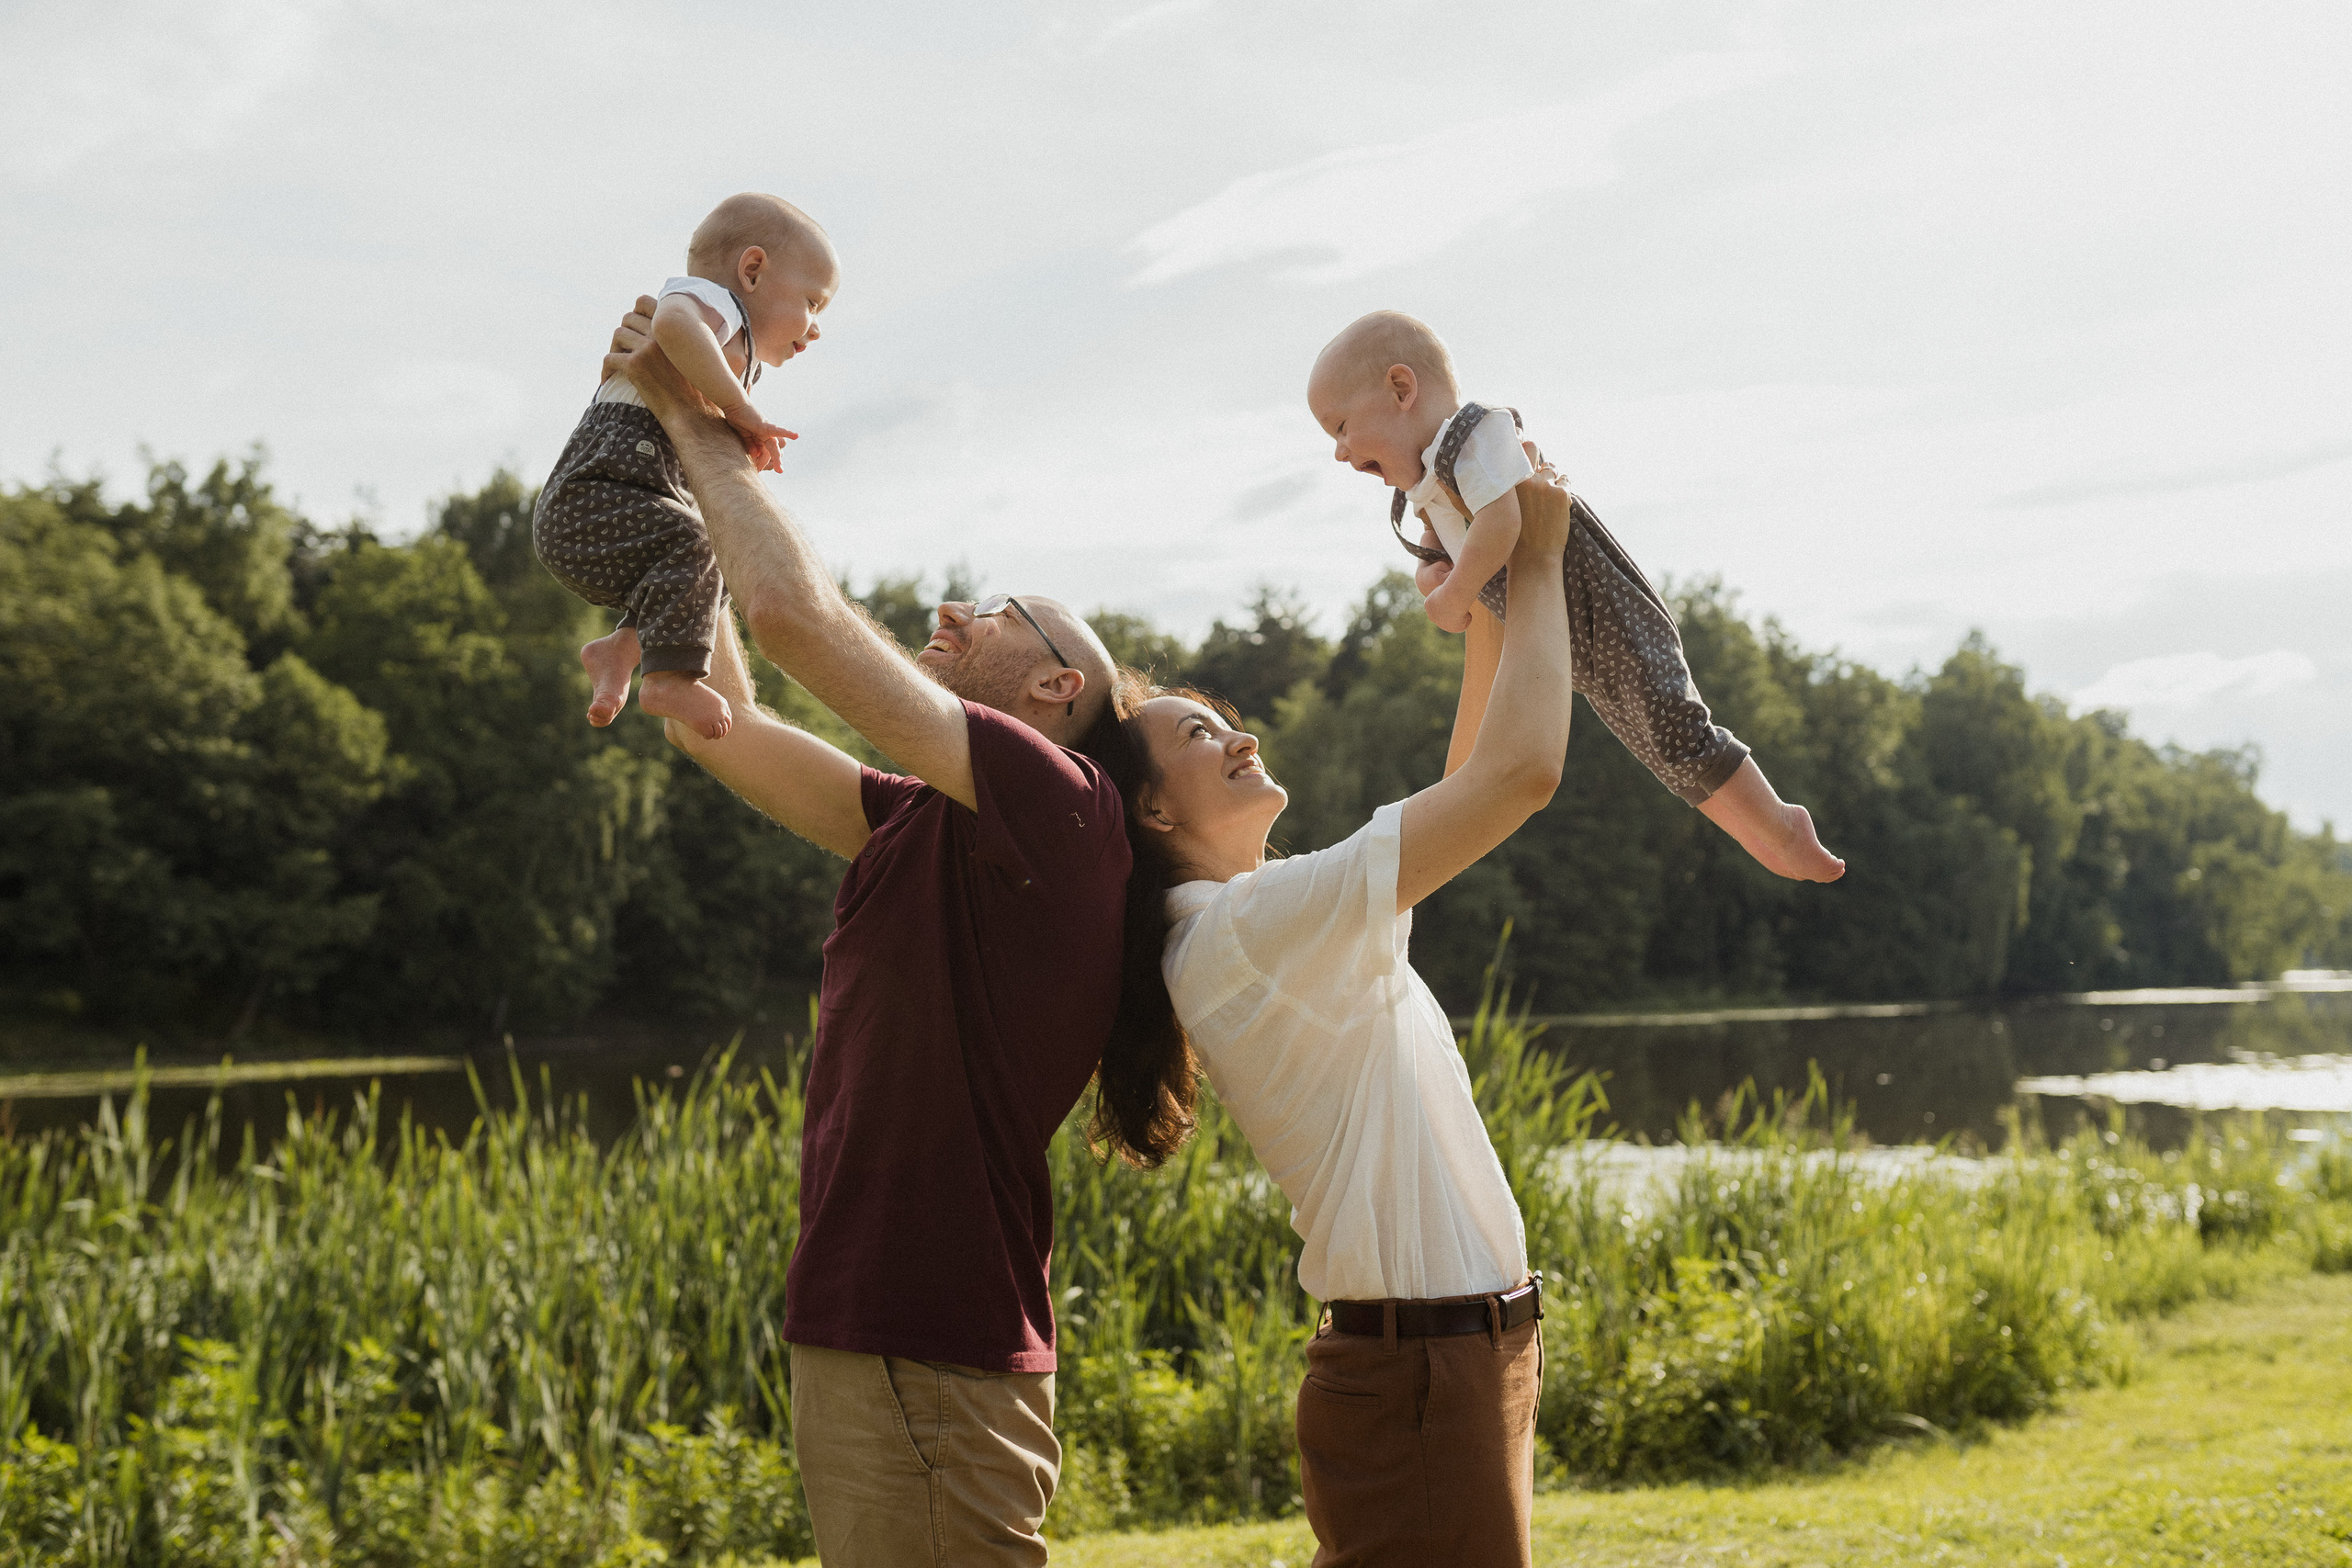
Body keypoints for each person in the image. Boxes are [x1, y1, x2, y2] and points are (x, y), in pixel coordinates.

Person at [598, 300, 1192, 1568]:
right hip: (880, 1327)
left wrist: (699, 422)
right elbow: (721, 725)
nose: (956, 607)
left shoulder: (1064, 801)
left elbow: (793, 617)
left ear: (1055, 690)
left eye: (1002, 610)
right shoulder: (921, 818)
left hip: (930, 1341)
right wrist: (671, 532)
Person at [1095, 467, 1578, 1567]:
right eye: (1197, 735)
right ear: (1152, 807)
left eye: (1225, 721)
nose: (1236, 737)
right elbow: (1521, 774)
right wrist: (1541, 559)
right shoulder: (1243, 933)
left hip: (1449, 1361)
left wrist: (1486, 604)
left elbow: (1470, 783)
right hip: (1425, 1371)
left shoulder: (1262, 924)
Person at [1306, 309, 1846, 884]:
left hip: (1603, 608)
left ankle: (1780, 825)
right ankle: (1756, 833)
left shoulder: (1475, 437)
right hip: (1569, 639)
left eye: (1341, 427)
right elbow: (1445, 546)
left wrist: (1453, 593)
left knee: (1672, 721)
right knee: (1654, 744)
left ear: (1401, 388)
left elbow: (1502, 522)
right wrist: (1433, 574)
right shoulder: (1428, 480)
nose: (1339, 451)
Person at [533, 193, 834, 741]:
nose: (815, 328)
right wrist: (740, 410)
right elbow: (673, 325)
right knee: (698, 542)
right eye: (813, 302)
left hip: (620, 503)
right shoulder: (713, 303)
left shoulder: (727, 344)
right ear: (752, 270)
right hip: (593, 497)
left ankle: (623, 647)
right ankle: (668, 679)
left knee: (722, 551)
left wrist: (736, 438)